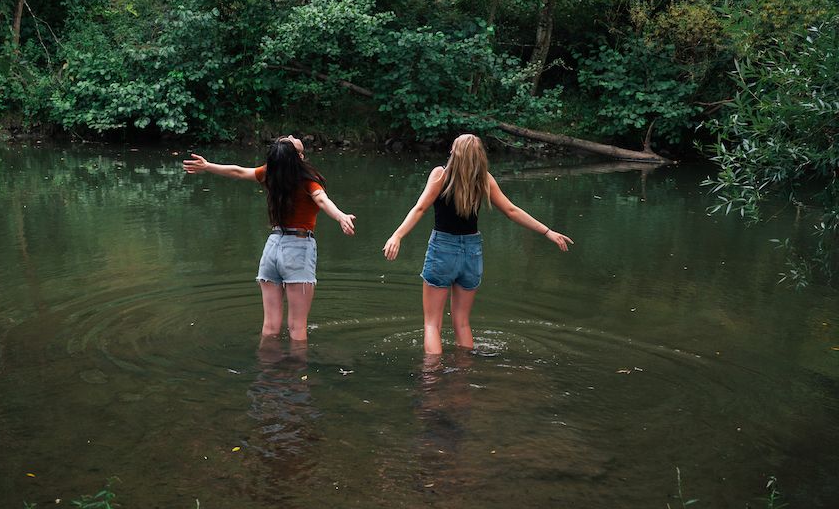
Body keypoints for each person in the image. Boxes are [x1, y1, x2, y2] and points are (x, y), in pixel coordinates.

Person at [382, 133, 573, 355]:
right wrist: (547, 231)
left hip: (443, 250)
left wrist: (397, 235)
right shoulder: (484, 180)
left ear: (454, 152)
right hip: (472, 253)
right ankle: (464, 373)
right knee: (462, 322)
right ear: (479, 157)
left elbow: (420, 208)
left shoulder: (440, 175)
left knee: (432, 324)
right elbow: (511, 211)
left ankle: (432, 380)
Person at [183, 136, 356, 343]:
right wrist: (341, 216)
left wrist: (208, 166)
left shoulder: (270, 174)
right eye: (290, 140)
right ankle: (296, 373)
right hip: (298, 251)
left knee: (270, 326)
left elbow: (238, 171)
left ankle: (267, 372)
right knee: (297, 327)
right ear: (298, 157)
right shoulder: (308, 179)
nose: (291, 137)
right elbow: (322, 200)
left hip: (272, 248)